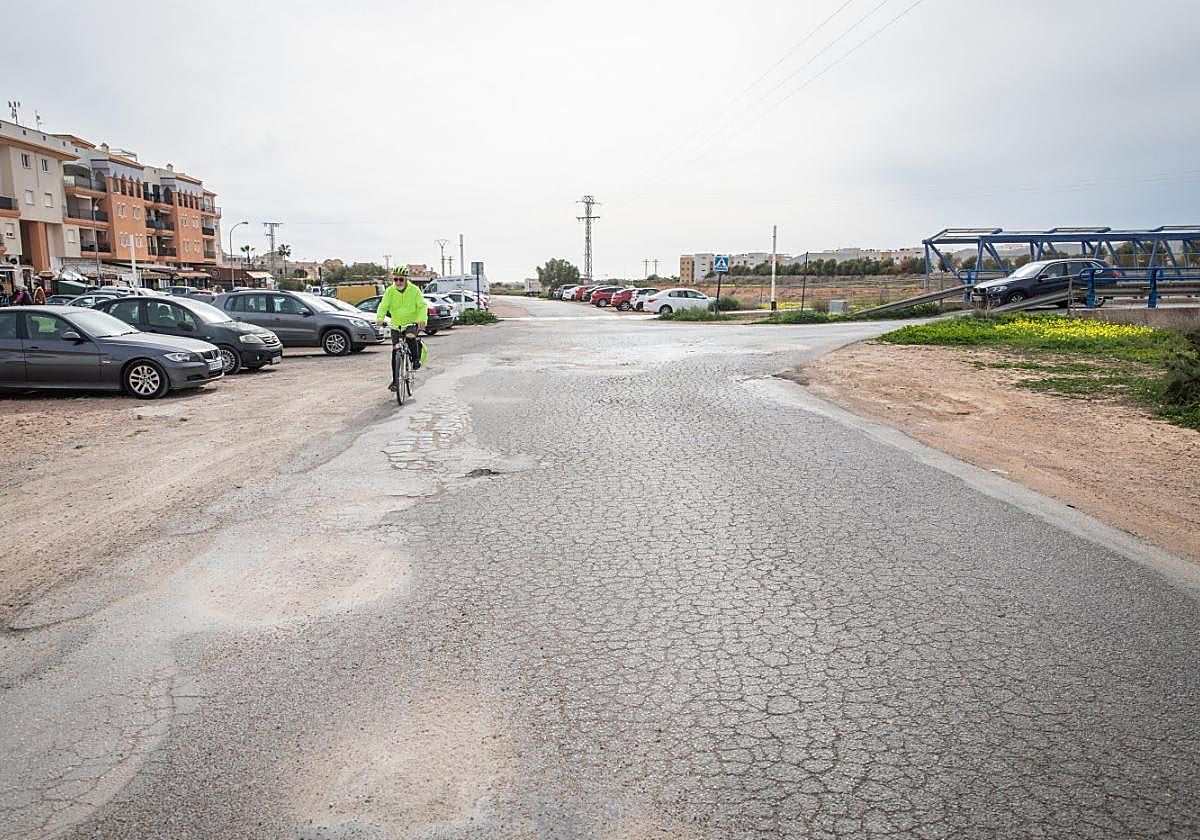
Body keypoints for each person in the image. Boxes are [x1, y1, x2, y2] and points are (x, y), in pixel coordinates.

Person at [374, 266, 427, 391]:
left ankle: (415, 360)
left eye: (401, 279)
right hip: (396, 325)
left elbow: (422, 306)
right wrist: (380, 318)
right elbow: (383, 305)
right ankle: (395, 381)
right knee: (395, 350)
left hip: (411, 322)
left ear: (406, 279)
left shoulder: (414, 290)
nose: (398, 282)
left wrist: (422, 320)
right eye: (395, 279)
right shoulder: (390, 291)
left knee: (410, 336)